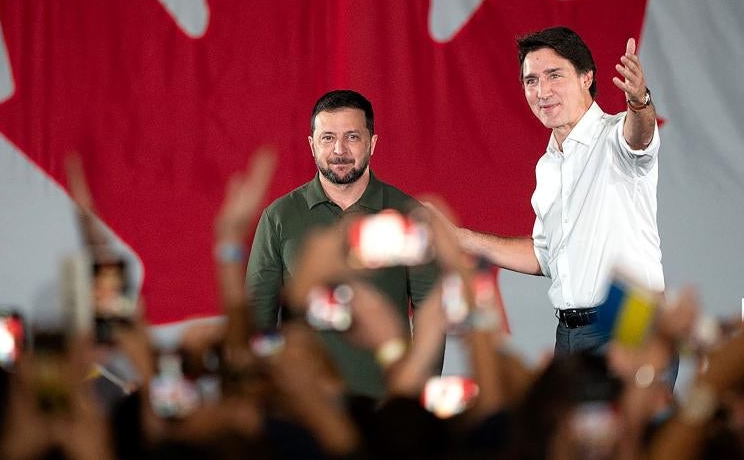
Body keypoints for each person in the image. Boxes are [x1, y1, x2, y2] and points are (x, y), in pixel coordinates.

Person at [453, 26, 663, 358]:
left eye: (554, 75)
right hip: (569, 334)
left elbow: (639, 136)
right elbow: (544, 257)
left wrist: (640, 102)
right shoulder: (547, 166)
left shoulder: (615, 136)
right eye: (531, 80)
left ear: (586, 78)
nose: (543, 90)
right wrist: (461, 239)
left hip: (628, 328)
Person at [245, 89, 439, 400]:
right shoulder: (278, 217)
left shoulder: (408, 214)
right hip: (306, 410)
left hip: (387, 405)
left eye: (352, 137)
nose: (339, 150)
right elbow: (257, 319)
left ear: (372, 143)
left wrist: (416, 402)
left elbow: (432, 314)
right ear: (311, 145)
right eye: (327, 138)